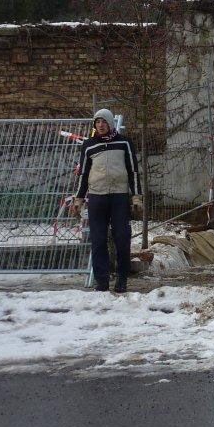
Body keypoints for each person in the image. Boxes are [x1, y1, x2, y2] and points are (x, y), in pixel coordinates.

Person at [73, 109, 142, 293]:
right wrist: (79, 198)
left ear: (111, 123)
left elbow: (133, 171)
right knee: (98, 240)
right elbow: (83, 174)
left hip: (119, 197)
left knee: (122, 237)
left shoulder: (124, 142)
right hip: (97, 198)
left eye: (104, 122)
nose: (101, 125)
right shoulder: (89, 145)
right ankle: (101, 281)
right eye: (97, 122)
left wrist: (136, 196)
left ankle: (121, 279)